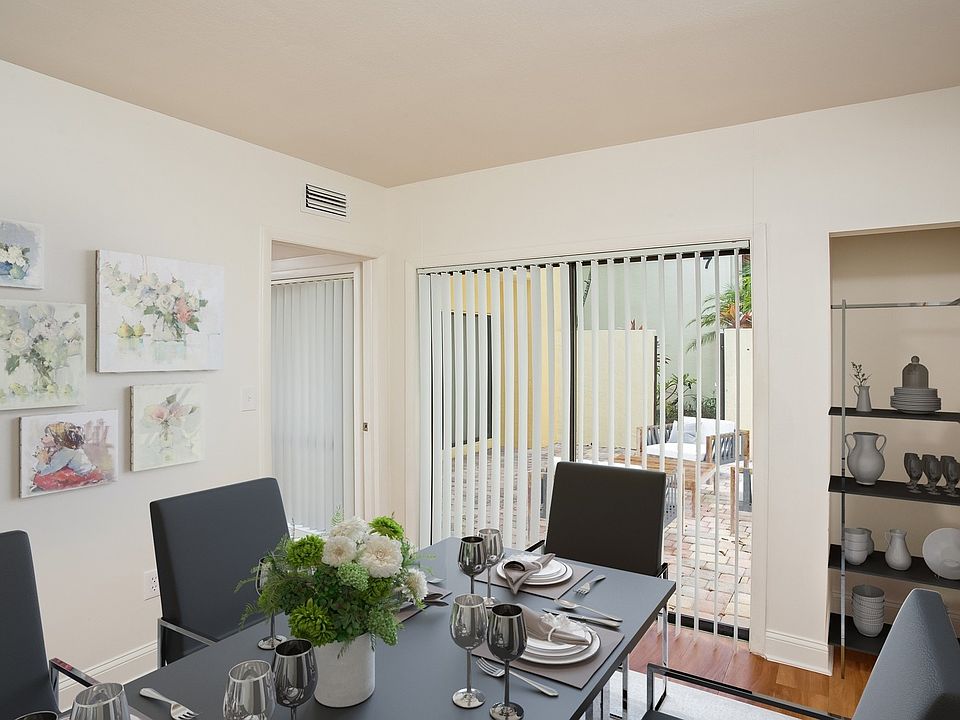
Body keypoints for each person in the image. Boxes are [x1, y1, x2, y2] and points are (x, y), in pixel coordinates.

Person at [32, 421, 104, 491]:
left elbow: (45, 471)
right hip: (76, 473)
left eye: (47, 435)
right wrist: (45, 459)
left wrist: (42, 460)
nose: (42, 438)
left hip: (85, 476)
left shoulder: (67, 451)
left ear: (58, 439)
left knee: (43, 479)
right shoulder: (60, 450)